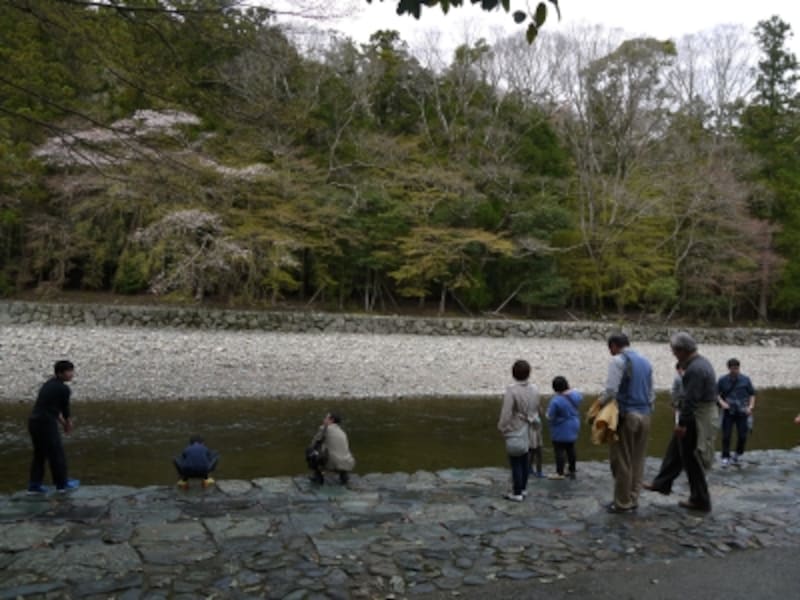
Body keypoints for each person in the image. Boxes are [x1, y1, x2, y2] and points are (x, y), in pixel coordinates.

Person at [643, 332, 716, 512]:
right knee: (675, 450)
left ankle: (700, 500)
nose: (673, 354)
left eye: (674, 350)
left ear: (682, 350)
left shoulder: (695, 369)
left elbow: (691, 399)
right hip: (699, 413)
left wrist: (682, 423)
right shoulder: (700, 363)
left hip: (696, 418)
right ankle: (662, 483)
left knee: (692, 459)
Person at [599, 333, 654, 514]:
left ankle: (622, 502)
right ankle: (633, 498)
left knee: (621, 460)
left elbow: (611, 390)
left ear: (614, 346)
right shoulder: (646, 361)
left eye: (610, 349)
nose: (610, 353)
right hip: (645, 414)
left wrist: (599, 405)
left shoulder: (618, 361)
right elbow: (651, 392)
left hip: (627, 414)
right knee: (638, 459)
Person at [27, 360, 80, 494]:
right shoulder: (63, 388)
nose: (72, 374)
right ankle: (62, 486)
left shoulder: (49, 384)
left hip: (34, 422)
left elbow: (52, 409)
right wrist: (68, 423)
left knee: (40, 454)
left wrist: (63, 424)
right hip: (45, 423)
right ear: (60, 373)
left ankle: (34, 486)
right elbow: (65, 409)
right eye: (69, 371)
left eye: (72, 370)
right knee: (57, 454)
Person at [498, 359, 536, 502]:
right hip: (528, 427)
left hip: (515, 427)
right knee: (524, 459)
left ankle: (517, 492)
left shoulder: (512, 391)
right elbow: (535, 408)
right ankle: (524, 489)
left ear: (513, 374)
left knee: (515, 461)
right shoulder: (534, 389)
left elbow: (506, 413)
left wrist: (501, 427)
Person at [717, 358, 756, 467]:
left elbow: (752, 394)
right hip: (728, 411)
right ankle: (725, 456)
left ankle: (738, 453)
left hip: (743, 411)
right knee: (726, 435)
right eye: (733, 368)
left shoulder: (745, 379)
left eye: (737, 368)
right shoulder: (722, 380)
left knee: (743, 435)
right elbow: (716, 394)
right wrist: (722, 403)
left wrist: (751, 406)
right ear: (729, 368)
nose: (735, 370)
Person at [546, 376, 582, 480]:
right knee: (571, 447)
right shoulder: (575, 395)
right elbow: (579, 397)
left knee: (559, 450)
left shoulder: (556, 401)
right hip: (574, 424)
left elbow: (550, 416)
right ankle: (572, 469)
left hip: (561, 428)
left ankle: (559, 472)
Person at [309, 412, 355, 485]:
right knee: (340, 451)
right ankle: (343, 475)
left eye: (326, 418)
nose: (324, 419)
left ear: (331, 420)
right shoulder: (342, 431)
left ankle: (317, 476)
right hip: (348, 463)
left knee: (310, 451)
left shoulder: (325, 428)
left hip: (333, 464)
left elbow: (313, 443)